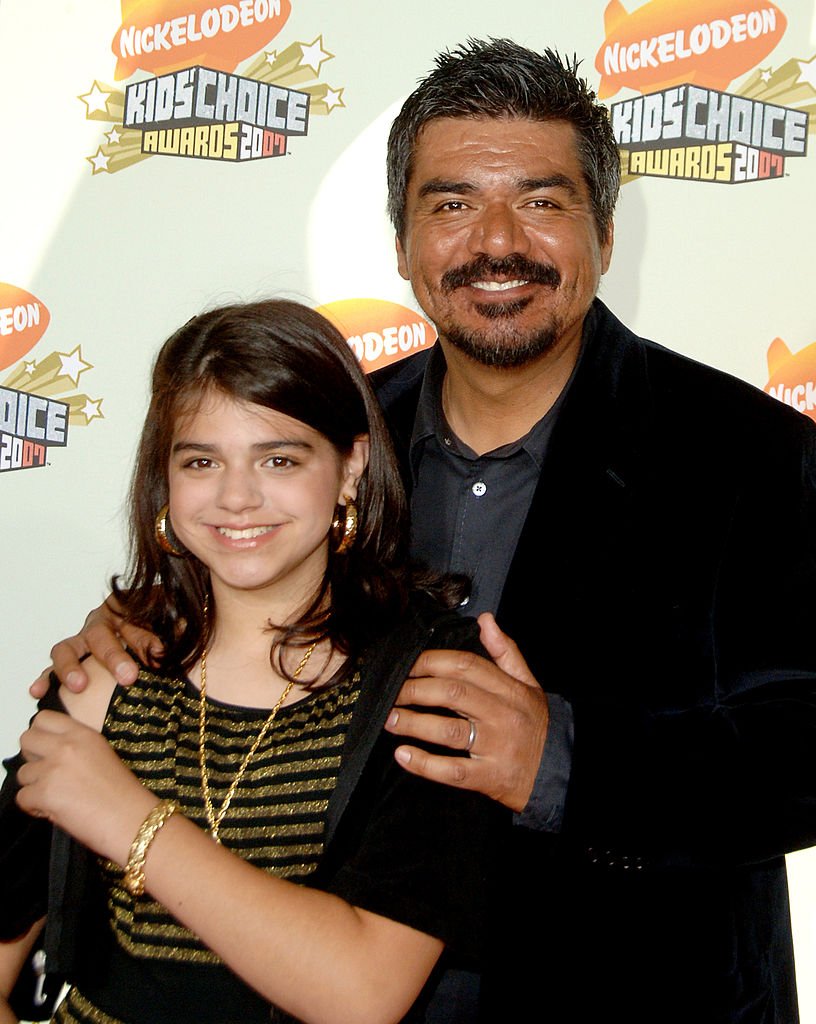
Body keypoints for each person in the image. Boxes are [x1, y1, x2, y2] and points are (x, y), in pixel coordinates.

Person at [32, 38, 816, 1024]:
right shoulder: (327, 446)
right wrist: (138, 638)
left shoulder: (741, 452)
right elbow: (227, 630)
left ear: (604, 232)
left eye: (543, 202)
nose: (497, 240)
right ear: (402, 243)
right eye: (453, 203)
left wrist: (560, 761)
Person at [0, 299, 504, 1024]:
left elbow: (361, 993)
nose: (236, 498)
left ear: (350, 466)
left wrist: (126, 819)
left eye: (278, 458)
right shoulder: (106, 671)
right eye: (201, 460)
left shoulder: (433, 685)